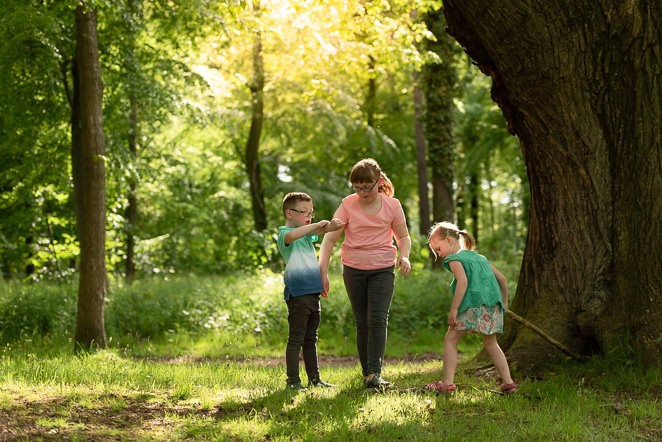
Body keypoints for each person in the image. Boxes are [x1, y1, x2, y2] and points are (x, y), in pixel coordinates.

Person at [319, 158, 411, 389]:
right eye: (357, 187)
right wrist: (322, 271)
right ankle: (367, 374)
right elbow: (329, 240)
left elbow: (403, 237)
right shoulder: (348, 205)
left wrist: (405, 255)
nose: (362, 192)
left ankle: (375, 373)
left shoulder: (393, 205)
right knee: (362, 322)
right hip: (353, 269)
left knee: (378, 318)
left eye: (366, 187)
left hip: (382, 268)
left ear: (378, 182)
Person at [425, 221, 518, 394]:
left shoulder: (455, 259)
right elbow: (503, 280)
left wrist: (454, 310)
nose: (439, 255)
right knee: (491, 342)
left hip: (471, 306)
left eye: (438, 249)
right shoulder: (480, 258)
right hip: (492, 307)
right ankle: (508, 383)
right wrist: (504, 303)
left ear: (449, 240)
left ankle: (447, 384)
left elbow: (463, 282)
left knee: (451, 339)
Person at [277, 192, 344, 391]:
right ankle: (293, 381)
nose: (309, 215)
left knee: (310, 339)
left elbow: (323, 229)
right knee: (296, 338)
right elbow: (294, 234)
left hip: (313, 293)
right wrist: (316, 225)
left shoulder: (307, 237)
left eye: (311, 212)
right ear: (289, 213)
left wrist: (332, 225)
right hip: (298, 294)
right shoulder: (285, 235)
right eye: (304, 212)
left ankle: (314, 379)